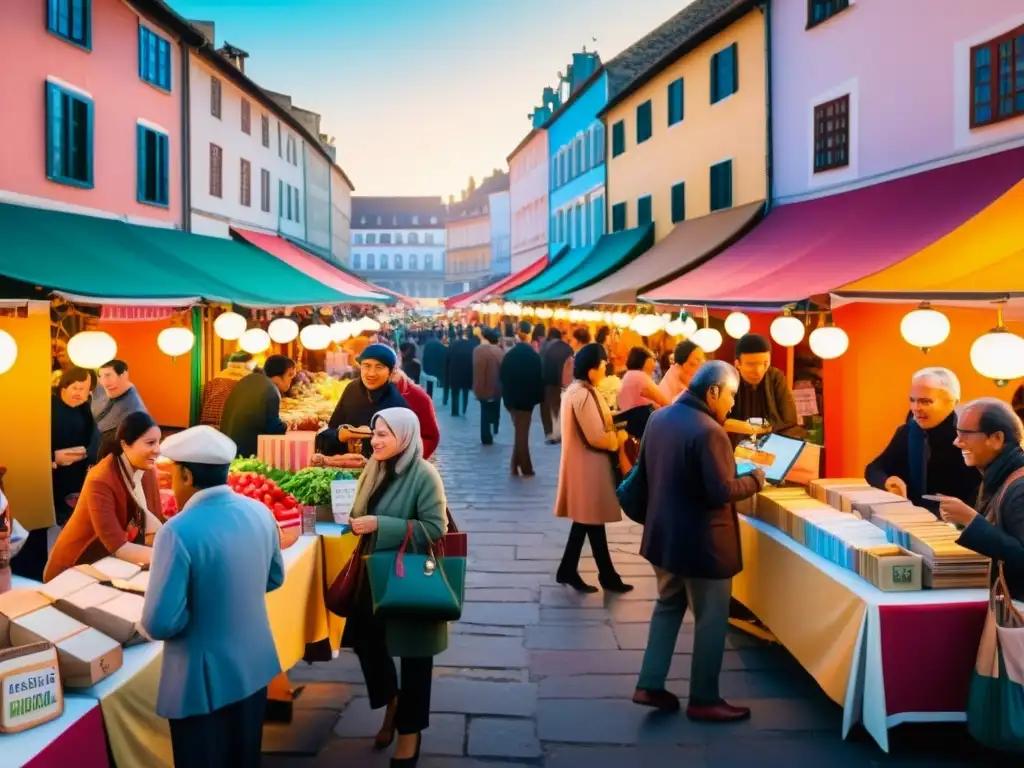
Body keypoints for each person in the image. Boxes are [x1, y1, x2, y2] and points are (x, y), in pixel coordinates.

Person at [142, 426, 284, 768]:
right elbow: (274, 577)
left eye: (174, 472)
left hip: (201, 682)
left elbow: (159, 622)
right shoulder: (260, 513)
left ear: (187, 475)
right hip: (254, 667)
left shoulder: (177, 530)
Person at [633, 361, 765, 721]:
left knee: (667, 606)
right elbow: (720, 491)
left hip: (664, 537)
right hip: (704, 545)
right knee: (710, 620)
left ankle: (650, 682)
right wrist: (755, 479)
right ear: (712, 392)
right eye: (732, 396)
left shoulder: (660, 418)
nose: (733, 405)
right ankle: (705, 698)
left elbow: (647, 472)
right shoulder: (709, 431)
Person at [344, 408, 449, 767]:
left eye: (384, 435)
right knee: (362, 638)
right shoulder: (373, 467)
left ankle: (409, 734)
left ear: (404, 436)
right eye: (374, 433)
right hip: (373, 574)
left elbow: (435, 529)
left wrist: (379, 524)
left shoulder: (424, 475)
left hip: (409, 579)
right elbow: (360, 509)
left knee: (415, 660)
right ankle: (392, 699)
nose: (375, 441)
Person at [44, 411, 164, 582]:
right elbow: (118, 546)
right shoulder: (100, 479)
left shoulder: (147, 471)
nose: (158, 450)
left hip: (106, 565)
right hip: (74, 568)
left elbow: (155, 524)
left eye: (159, 442)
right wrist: (170, 557)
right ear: (125, 444)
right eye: (150, 443)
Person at [555, 343, 633, 594]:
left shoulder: (581, 390)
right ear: (591, 370)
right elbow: (597, 436)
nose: (605, 369)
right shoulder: (583, 394)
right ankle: (604, 575)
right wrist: (618, 439)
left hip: (585, 465)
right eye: (602, 365)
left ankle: (578, 571)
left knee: (588, 520)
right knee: (590, 520)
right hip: (588, 465)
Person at [932, 399, 1024, 601]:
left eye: (966, 433)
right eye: (958, 433)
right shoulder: (996, 476)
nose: (957, 441)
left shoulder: (1019, 487)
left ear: (997, 438)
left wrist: (973, 522)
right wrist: (962, 522)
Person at [19, 368, 100, 581]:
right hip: (46, 478)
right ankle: (36, 572)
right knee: (42, 525)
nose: (80, 393)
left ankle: (63, 570)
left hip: (74, 478)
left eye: (85, 389)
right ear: (63, 386)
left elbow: (93, 437)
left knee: (69, 526)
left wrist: (88, 454)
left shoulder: (84, 409)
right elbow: (27, 445)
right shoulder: (47, 407)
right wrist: (54, 459)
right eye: (75, 387)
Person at [865, 367, 980, 515]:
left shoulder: (970, 439)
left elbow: (978, 497)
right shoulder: (907, 432)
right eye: (912, 400)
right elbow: (873, 468)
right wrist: (887, 481)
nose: (915, 408)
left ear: (952, 402)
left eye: (925, 402)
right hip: (910, 520)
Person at [319, 345, 408, 459]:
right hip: (347, 464)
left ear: (391, 372)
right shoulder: (352, 389)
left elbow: (402, 447)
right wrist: (339, 435)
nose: (371, 373)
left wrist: (371, 434)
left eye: (379, 367)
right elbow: (331, 430)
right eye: (366, 366)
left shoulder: (397, 403)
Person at [725, 333, 804, 441]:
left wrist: (753, 429)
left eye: (765, 363)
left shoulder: (775, 377)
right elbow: (719, 422)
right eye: (751, 364)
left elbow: (789, 420)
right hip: (735, 446)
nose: (758, 371)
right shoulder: (727, 380)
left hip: (771, 443)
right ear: (737, 364)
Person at [219, 354, 296, 458]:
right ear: (278, 375)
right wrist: (288, 424)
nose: (290, 381)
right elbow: (274, 429)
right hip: (245, 454)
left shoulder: (248, 380)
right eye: (290, 376)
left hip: (226, 446)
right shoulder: (271, 390)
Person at [500, 321, 544, 477]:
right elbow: (540, 379)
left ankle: (515, 465)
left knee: (520, 431)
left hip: (512, 399)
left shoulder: (509, 356)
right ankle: (525, 467)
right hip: (527, 400)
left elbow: (502, 377)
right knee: (522, 432)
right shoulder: (534, 357)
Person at [92, 359, 148, 460]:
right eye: (101, 376)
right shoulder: (106, 390)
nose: (104, 382)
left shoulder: (133, 408)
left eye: (108, 375)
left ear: (123, 375)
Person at [392, 367, 440, 460]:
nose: (372, 373)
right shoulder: (357, 391)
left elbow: (430, 436)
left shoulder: (417, 397)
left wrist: (410, 460)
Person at [200, 352, 255, 428]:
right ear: (249, 364)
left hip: (206, 428)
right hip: (229, 428)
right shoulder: (247, 382)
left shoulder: (213, 380)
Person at [540, 328, 574, 444]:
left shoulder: (545, 347)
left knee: (549, 409)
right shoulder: (567, 348)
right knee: (561, 408)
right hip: (565, 383)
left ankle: (552, 434)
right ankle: (561, 433)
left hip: (548, 382)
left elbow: (541, 364)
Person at [472, 328, 504, 446]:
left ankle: (486, 436)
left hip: (484, 386)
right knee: (495, 409)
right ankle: (494, 427)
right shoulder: (500, 351)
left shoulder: (478, 351)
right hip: (498, 386)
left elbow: (478, 371)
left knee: (485, 412)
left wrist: (477, 388)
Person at [618, 347, 672, 412]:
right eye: (653, 360)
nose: (654, 365)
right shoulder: (640, 377)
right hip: (646, 419)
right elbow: (665, 402)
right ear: (646, 361)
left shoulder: (628, 376)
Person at [445, 329, 475, 417]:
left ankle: (455, 411)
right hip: (467, 372)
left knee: (455, 392)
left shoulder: (453, 345)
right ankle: (464, 409)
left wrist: (447, 372)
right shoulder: (470, 346)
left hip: (454, 372)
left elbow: (447, 360)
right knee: (465, 391)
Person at [421, 333, 448, 400]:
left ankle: (429, 397)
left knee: (429, 384)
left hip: (428, 368)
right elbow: (443, 357)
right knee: (442, 381)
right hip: (437, 368)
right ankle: (444, 397)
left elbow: (424, 356)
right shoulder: (441, 346)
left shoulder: (428, 344)